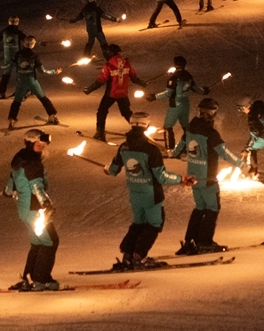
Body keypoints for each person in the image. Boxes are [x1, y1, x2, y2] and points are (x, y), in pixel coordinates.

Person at [106, 112, 197, 269]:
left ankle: (128, 254)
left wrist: (107, 169)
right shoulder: (150, 150)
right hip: (151, 194)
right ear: (146, 126)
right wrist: (181, 179)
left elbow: (113, 170)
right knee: (154, 224)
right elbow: (161, 176)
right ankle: (139, 257)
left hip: (135, 193)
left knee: (138, 223)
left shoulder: (124, 146)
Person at [172, 98, 247, 255]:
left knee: (200, 208)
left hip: (193, 178)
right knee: (212, 208)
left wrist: (175, 154)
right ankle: (205, 242)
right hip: (207, 178)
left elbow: (180, 146)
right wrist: (243, 165)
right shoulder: (210, 133)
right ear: (212, 113)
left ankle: (190, 241)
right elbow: (224, 152)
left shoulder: (191, 128)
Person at [4, 130, 60, 290]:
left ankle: (29, 277)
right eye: (38, 145)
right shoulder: (33, 164)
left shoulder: (19, 159)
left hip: (24, 210)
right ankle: (41, 280)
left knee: (38, 242)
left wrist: (8, 191)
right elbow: (37, 186)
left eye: (43, 145)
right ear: (29, 144)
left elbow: (11, 181)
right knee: (51, 241)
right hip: (36, 210)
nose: (41, 148)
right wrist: (46, 204)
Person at [84, 43, 146, 141]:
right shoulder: (126, 63)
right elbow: (134, 77)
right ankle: (138, 131)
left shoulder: (108, 65)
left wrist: (90, 89)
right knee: (126, 112)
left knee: (102, 111)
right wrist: (142, 83)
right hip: (123, 93)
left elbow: (101, 80)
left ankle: (100, 132)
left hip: (111, 93)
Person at [147, 56, 208, 151]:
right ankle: (189, 146)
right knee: (185, 126)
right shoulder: (189, 76)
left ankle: (169, 149)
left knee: (168, 126)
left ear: (175, 65)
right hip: (185, 105)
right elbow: (196, 89)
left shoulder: (174, 78)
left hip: (175, 105)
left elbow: (168, 93)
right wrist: (204, 91)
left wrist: (154, 96)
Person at [7, 36, 61, 129]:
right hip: (32, 82)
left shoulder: (18, 54)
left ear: (24, 43)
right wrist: (54, 71)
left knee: (17, 101)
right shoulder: (34, 55)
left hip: (21, 82)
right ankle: (52, 116)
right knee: (43, 98)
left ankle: (12, 119)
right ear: (33, 44)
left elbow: (9, 65)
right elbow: (42, 71)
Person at [0, 16, 28, 100]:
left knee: (5, 75)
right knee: (20, 74)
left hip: (7, 56)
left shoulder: (4, 32)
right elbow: (27, 41)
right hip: (17, 56)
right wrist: (38, 42)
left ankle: (1, 93)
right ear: (17, 22)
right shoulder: (18, 32)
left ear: (9, 22)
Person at [237, 96, 264, 175]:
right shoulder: (261, 106)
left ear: (247, 106)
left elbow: (254, 135)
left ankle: (253, 171)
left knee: (252, 149)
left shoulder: (252, 116)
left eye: (241, 108)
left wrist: (247, 148)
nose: (241, 111)